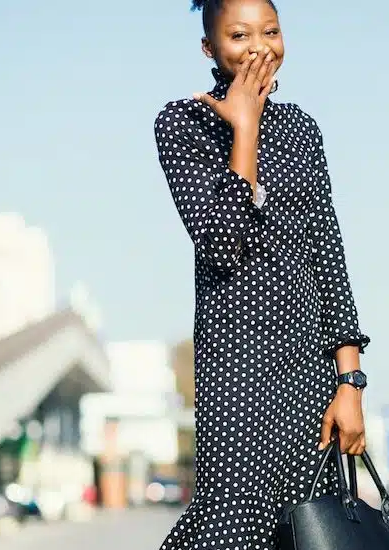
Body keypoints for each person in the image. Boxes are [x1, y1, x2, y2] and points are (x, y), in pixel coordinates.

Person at [153, 0, 370, 548]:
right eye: (239, 35)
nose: (258, 47)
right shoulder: (181, 123)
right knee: (229, 528)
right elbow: (223, 244)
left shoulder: (302, 130)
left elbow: (328, 255)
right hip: (237, 370)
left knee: (307, 534)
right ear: (210, 48)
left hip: (309, 374)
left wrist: (350, 383)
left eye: (270, 32)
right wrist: (243, 128)